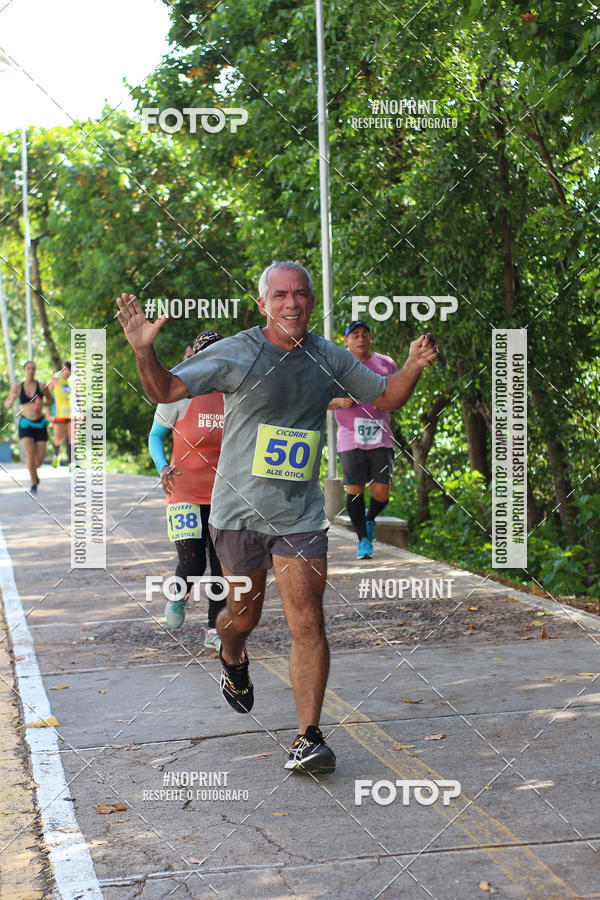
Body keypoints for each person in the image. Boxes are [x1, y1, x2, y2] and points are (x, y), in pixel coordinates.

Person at [116, 261, 438, 774]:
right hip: (238, 514)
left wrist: (413, 365)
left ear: (311, 302)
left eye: (301, 294)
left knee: (307, 620)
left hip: (300, 516)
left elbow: (386, 396)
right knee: (243, 619)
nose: (292, 302)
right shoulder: (237, 351)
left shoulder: (327, 356)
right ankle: (232, 658)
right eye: (281, 294)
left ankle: (309, 737)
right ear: (263, 303)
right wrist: (142, 349)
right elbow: (166, 392)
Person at [148, 333, 226, 654]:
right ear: (195, 356)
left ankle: (214, 628)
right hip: (183, 492)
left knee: (223, 566)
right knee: (192, 563)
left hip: (224, 494)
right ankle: (179, 594)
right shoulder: (177, 393)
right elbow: (155, 436)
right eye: (204, 354)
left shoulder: (235, 393)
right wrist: (162, 466)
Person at [328, 321, 398, 560]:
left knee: (382, 492)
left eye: (364, 334)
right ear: (346, 340)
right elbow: (318, 399)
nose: (360, 338)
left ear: (370, 337)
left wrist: (386, 400)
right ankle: (363, 540)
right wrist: (339, 402)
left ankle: (369, 518)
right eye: (355, 335)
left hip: (381, 434)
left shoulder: (385, 363)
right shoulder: (336, 365)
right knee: (355, 489)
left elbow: (398, 392)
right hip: (349, 435)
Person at [4, 361, 53, 493]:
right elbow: (7, 403)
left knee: (39, 461)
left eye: (33, 368)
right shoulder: (17, 387)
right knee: (30, 452)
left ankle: (34, 472)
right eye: (28, 368)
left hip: (40, 424)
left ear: (35, 371)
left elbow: (51, 400)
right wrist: (12, 399)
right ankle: (33, 482)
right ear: (24, 371)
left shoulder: (42, 386)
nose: (30, 371)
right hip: (25, 424)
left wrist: (41, 404)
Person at [47, 361, 72, 467]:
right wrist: (48, 411)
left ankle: (72, 463)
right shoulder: (56, 378)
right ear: (64, 367)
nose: (70, 373)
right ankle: (56, 455)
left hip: (72, 413)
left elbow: (78, 394)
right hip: (59, 413)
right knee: (59, 437)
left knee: (73, 438)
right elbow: (47, 393)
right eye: (68, 370)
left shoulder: (75, 379)